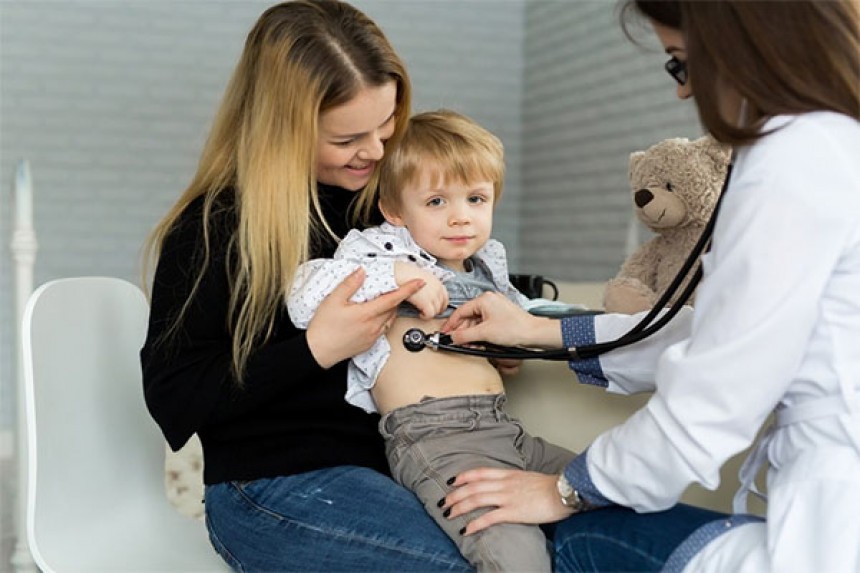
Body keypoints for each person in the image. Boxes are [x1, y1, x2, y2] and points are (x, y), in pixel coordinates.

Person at [438, 1, 860, 572]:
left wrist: (568, 489)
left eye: (680, 62)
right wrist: (541, 331)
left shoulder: (795, 160)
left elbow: (717, 390)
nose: (684, 91)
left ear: (738, 45)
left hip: (830, 537)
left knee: (579, 537)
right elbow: (724, 334)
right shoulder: (835, 142)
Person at [140, 2, 475, 571]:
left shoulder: (387, 206)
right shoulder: (215, 226)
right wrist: (316, 348)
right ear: (282, 129)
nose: (376, 151)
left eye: (386, 125)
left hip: (401, 465)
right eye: (347, 138)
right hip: (270, 486)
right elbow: (174, 397)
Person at [287, 108, 575, 572]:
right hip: (438, 437)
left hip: (506, 429)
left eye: (476, 199)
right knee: (514, 553)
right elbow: (302, 295)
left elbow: (524, 319)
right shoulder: (382, 250)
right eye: (437, 201)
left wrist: (511, 350)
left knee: (605, 486)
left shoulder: (487, 266)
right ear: (395, 210)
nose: (461, 218)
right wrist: (399, 277)